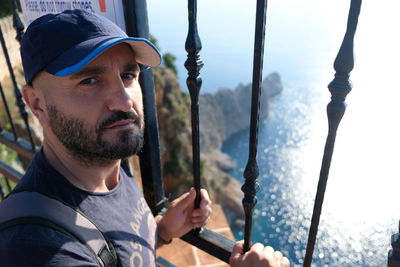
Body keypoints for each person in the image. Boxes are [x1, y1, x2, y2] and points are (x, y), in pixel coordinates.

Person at [0, 9, 289, 267]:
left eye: (128, 75)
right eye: (89, 81)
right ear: (37, 104)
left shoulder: (111, 161)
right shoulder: (36, 249)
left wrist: (161, 231)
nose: (125, 101)